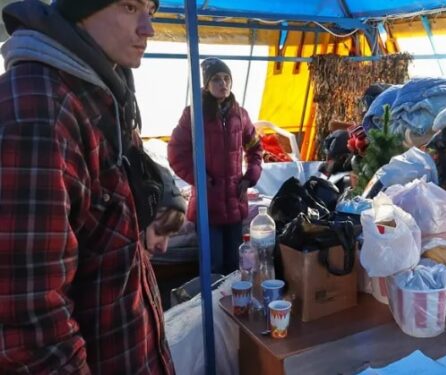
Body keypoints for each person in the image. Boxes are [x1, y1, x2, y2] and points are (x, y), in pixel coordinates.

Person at [0, 0, 186, 373]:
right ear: (79, 9)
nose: (148, 28)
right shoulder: (40, 112)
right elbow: (31, 330)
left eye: (152, 10)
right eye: (130, 7)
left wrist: (150, 211)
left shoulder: (101, 93)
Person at [168, 57, 263, 275]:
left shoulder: (241, 115)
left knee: (235, 265)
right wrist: (200, 178)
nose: (223, 84)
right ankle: (210, 308)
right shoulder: (194, 114)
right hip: (207, 204)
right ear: (206, 85)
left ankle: (233, 306)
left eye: (226, 78)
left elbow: (256, 149)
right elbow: (175, 152)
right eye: (217, 80)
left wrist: (250, 177)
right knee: (213, 266)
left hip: (235, 203)